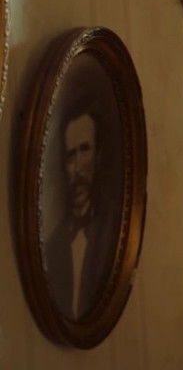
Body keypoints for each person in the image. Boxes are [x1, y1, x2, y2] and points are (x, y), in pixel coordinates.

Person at [45, 106, 116, 319]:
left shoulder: (114, 231)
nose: (76, 169)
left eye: (84, 150)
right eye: (70, 156)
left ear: (98, 156)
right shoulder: (53, 246)